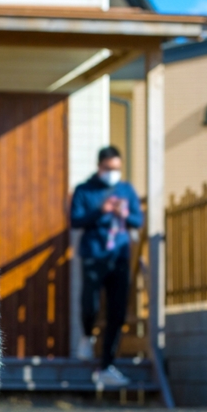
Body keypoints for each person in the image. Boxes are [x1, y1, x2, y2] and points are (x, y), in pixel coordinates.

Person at [69, 145, 143, 384]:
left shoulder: (125, 189)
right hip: (93, 253)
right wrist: (101, 211)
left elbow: (137, 220)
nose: (113, 173)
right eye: (109, 168)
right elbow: (75, 220)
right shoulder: (85, 190)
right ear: (99, 166)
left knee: (117, 311)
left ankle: (106, 366)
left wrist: (123, 214)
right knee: (89, 303)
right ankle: (87, 336)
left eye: (117, 169)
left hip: (119, 257)